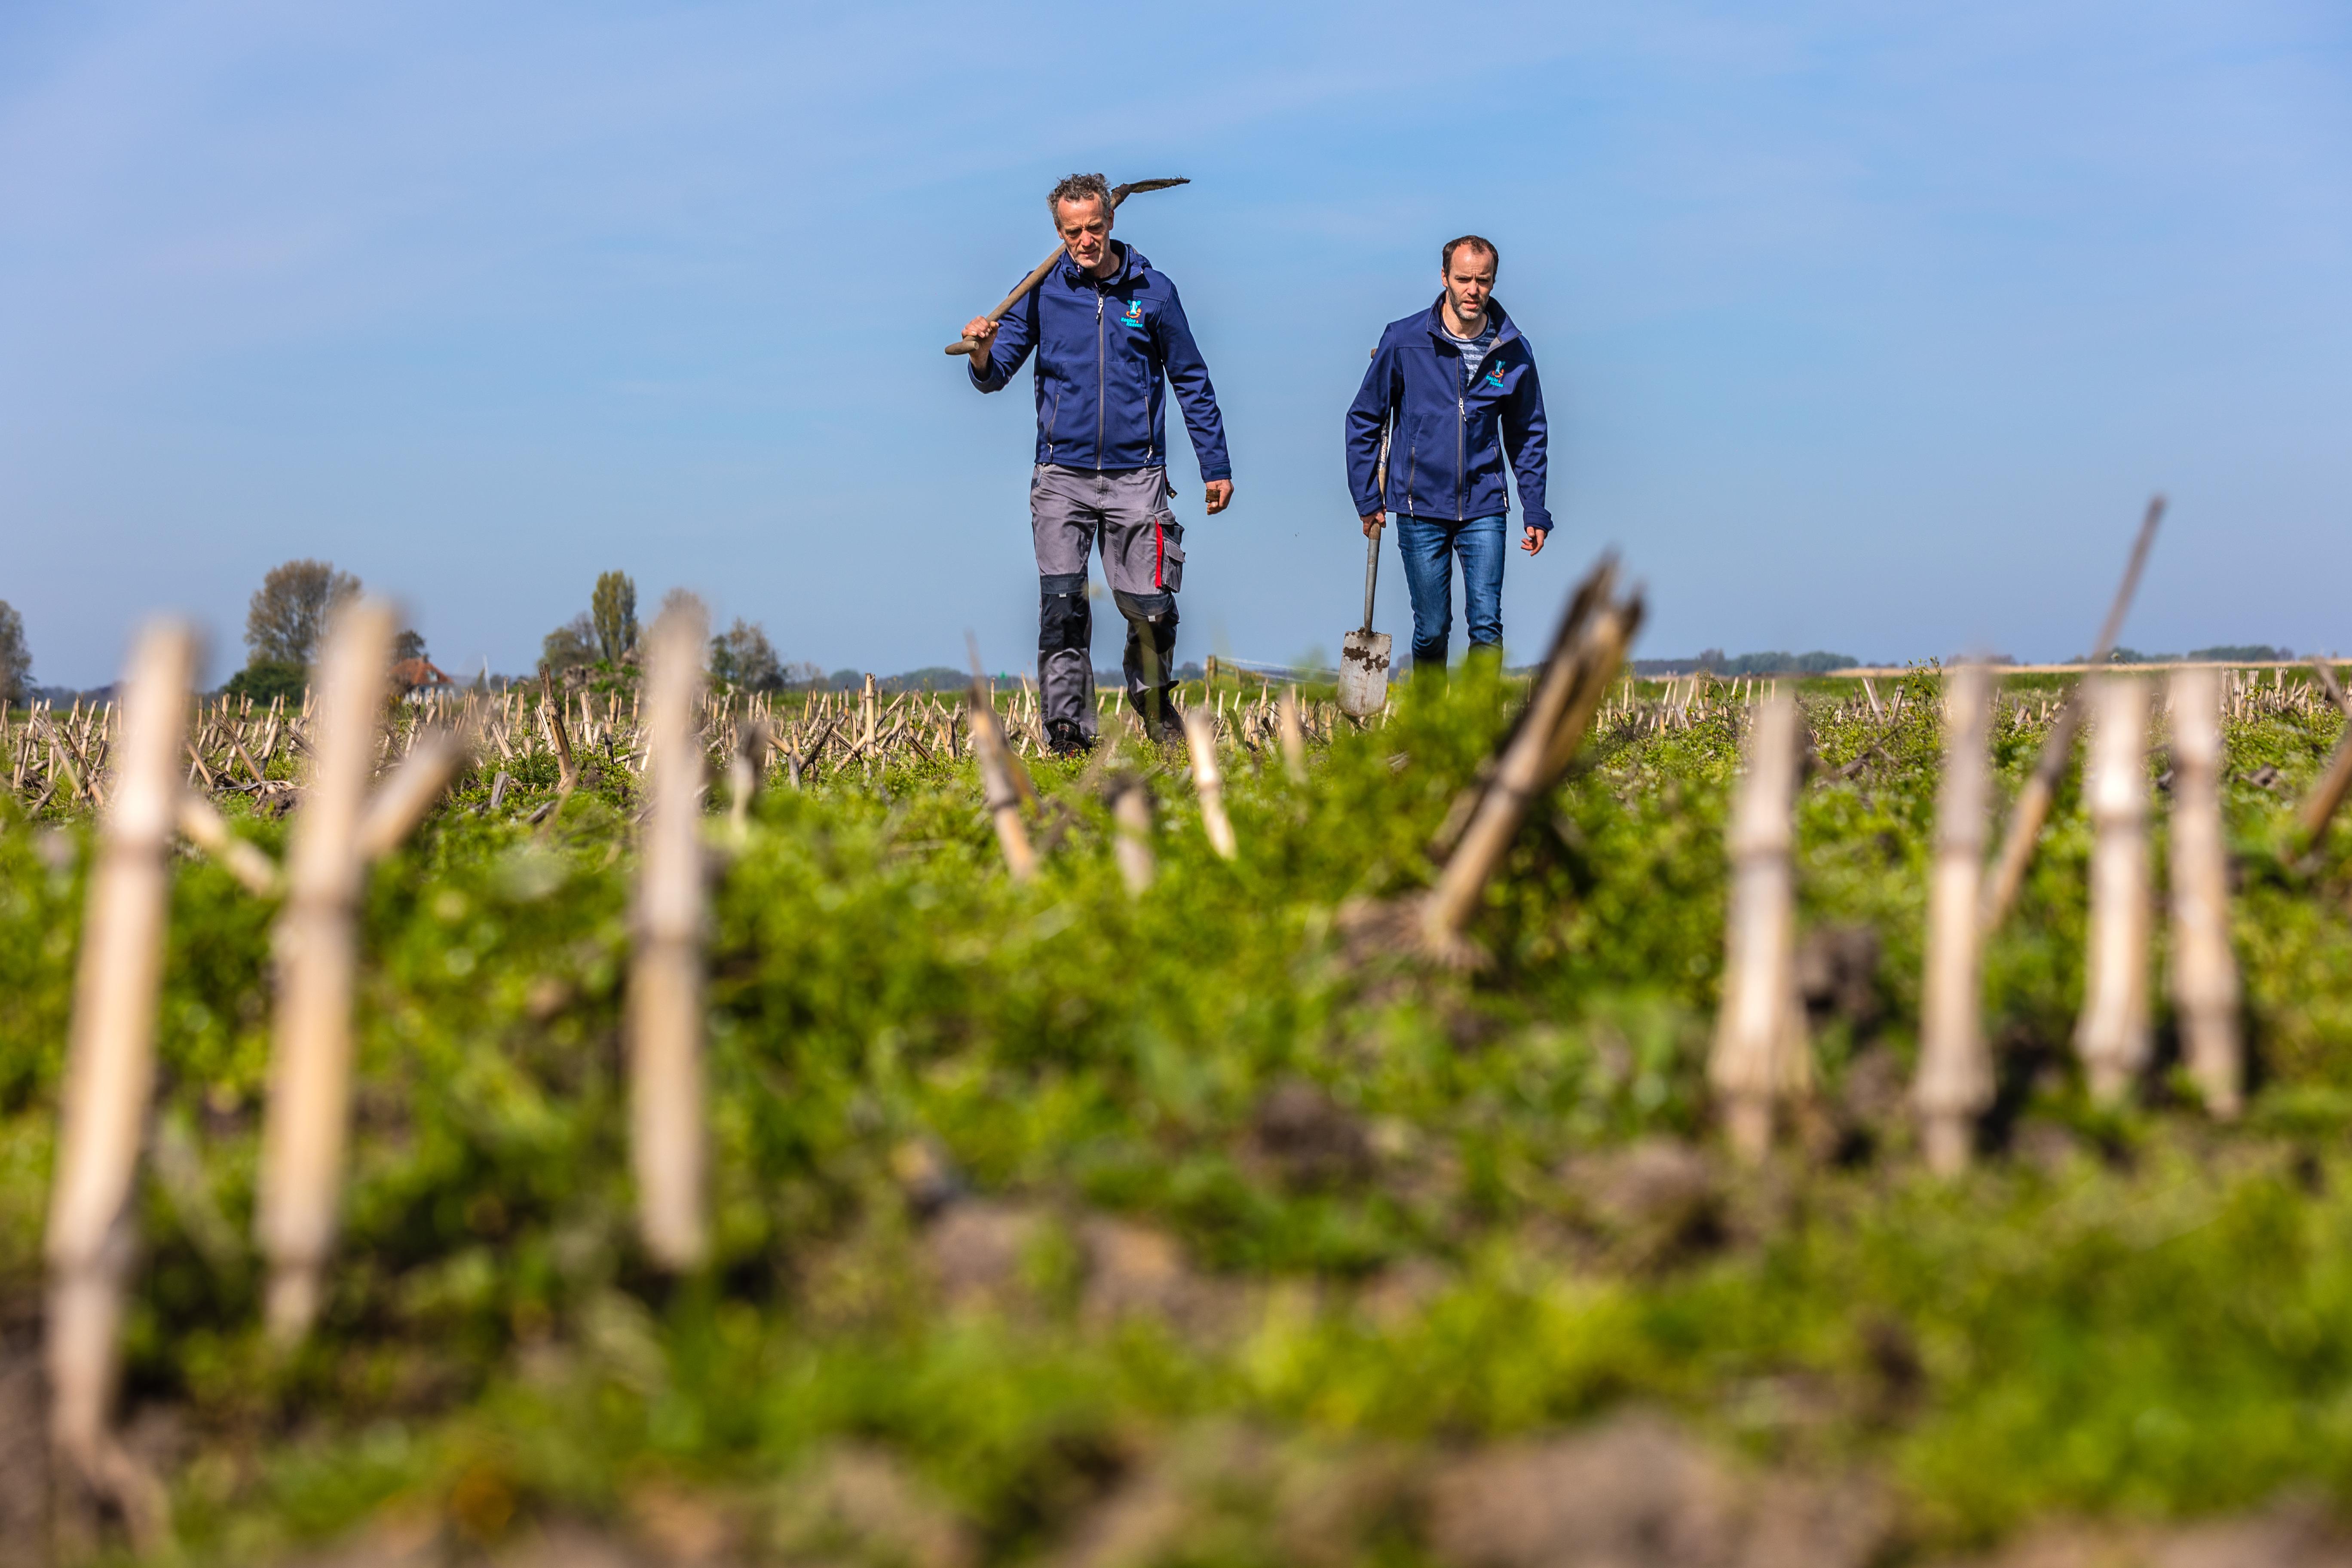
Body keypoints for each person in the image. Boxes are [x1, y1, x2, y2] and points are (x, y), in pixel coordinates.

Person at [963, 172, 1234, 750]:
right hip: (1061, 476)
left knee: (1152, 609)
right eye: (1071, 232)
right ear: (1058, 231)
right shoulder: (1040, 291)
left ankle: (1157, 711)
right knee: (1063, 609)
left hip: (1139, 476)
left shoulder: (1153, 292)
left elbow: (1192, 380)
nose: (1084, 240)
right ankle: (1067, 733)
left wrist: (1216, 464)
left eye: (1093, 228)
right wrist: (983, 350)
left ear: (1111, 221)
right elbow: (994, 373)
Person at [1343, 235, 1552, 679]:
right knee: (1433, 630)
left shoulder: (1512, 351)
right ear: (1445, 279)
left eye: (1483, 280)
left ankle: (1477, 735)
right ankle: (1431, 733)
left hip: (1485, 506)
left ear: (1493, 282)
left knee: (1487, 628)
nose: (1473, 290)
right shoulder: (1403, 340)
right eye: (1463, 279)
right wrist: (1368, 500)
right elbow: (1364, 419)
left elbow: (1528, 432)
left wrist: (1535, 506)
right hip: (1419, 506)